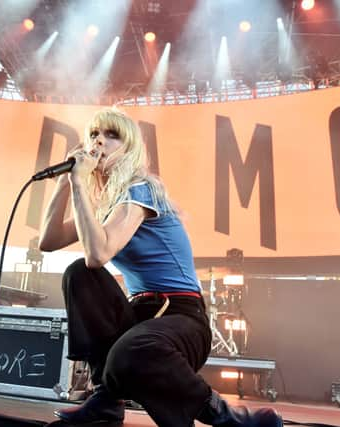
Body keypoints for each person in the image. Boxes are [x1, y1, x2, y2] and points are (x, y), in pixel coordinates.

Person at [38, 108, 281, 427]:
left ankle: (222, 415)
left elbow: (98, 253)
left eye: (112, 136)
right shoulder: (104, 207)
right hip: (139, 315)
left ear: (130, 148)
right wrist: (66, 183)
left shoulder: (142, 189)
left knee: (131, 348)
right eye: (94, 135)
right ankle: (107, 399)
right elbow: (48, 240)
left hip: (181, 316)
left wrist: (80, 185)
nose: (99, 142)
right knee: (79, 274)